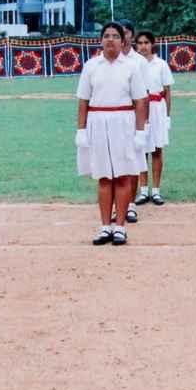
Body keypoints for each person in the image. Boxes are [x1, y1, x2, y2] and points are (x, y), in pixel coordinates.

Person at [75, 22, 149, 245]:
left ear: (123, 41)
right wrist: (81, 130)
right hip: (98, 122)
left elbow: (140, 101)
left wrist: (140, 131)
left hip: (123, 122)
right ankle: (105, 226)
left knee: (123, 176)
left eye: (115, 36)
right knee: (104, 177)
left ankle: (120, 227)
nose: (110, 39)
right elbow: (83, 101)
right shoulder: (91, 66)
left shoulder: (132, 66)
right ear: (100, 40)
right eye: (106, 35)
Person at [133, 31, 174, 206]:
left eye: (146, 42)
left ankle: (156, 190)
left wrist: (167, 117)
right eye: (140, 43)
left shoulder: (161, 64)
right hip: (141, 108)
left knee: (157, 150)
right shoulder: (133, 64)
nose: (143, 46)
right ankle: (143, 190)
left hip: (157, 108)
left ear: (152, 44)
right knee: (141, 149)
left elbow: (168, 92)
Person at [117, 19, 151, 223]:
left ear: (131, 35)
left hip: (133, 116)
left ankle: (130, 205)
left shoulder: (139, 62)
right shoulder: (108, 59)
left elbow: (144, 96)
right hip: (115, 118)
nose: (123, 36)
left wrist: (144, 123)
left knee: (133, 162)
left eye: (126, 32)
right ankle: (117, 205)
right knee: (116, 163)